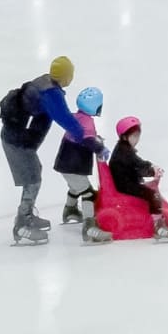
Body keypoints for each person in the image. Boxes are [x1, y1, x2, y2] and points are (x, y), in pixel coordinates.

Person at [0, 56, 105, 245]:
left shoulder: (45, 82)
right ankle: (22, 224)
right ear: (66, 76)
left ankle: (28, 216)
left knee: (35, 173)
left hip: (18, 137)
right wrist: (91, 142)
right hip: (17, 141)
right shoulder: (51, 94)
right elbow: (66, 121)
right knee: (32, 178)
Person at [55, 87, 113, 244]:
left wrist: (95, 138)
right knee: (89, 194)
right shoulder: (87, 121)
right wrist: (100, 148)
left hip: (65, 163)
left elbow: (84, 136)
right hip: (72, 166)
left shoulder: (78, 117)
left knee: (76, 188)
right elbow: (87, 140)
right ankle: (89, 227)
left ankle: (70, 210)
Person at [106, 116, 168, 243]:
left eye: (138, 136)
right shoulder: (124, 152)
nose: (136, 139)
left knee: (150, 191)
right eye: (134, 136)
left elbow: (137, 162)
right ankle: (158, 227)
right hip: (125, 185)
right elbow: (137, 165)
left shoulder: (124, 148)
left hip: (126, 180)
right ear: (124, 137)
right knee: (153, 195)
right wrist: (151, 171)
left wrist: (150, 166)